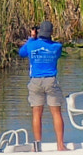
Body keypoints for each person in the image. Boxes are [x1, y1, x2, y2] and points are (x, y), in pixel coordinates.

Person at [19, 20, 66, 148]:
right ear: (51, 32)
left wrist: (31, 39)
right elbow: (57, 55)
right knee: (56, 113)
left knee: (36, 114)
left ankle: (37, 145)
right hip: (51, 80)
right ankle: (60, 145)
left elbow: (21, 53)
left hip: (35, 81)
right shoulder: (57, 46)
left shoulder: (31, 45)